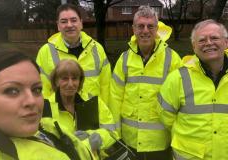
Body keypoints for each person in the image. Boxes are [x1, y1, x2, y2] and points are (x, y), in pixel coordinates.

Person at [0, 51, 94, 160]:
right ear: (56, 81)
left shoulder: (48, 126)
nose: (32, 101)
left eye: (36, 89)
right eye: (12, 91)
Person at [109, 5, 182, 160]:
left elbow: (180, 102)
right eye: (140, 26)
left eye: (150, 26)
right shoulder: (124, 59)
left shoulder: (172, 59)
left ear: (157, 29)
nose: (145, 30)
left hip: (160, 142)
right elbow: (115, 98)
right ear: (133, 29)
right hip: (129, 140)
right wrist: (115, 135)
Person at [157, 19, 228, 160]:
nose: (208, 43)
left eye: (214, 38)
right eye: (202, 40)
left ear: (226, 43)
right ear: (194, 47)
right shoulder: (177, 78)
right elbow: (165, 116)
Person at [41, 59, 118, 159]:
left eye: (74, 78)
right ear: (56, 81)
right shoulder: (45, 108)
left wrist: (95, 136)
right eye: (65, 79)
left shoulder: (93, 101)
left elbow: (112, 133)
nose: (70, 84)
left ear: (80, 81)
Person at [36, 3, 111, 106]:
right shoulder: (45, 52)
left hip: (92, 114)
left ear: (81, 23)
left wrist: (103, 113)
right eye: (64, 21)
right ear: (58, 25)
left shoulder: (97, 49)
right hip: (59, 117)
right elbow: (42, 89)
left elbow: (106, 86)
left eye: (74, 20)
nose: (69, 25)